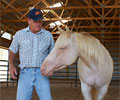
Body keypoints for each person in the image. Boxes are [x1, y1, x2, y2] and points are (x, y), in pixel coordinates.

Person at [9, 8, 54, 100]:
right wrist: (11, 65)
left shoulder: (48, 35)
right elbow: (12, 51)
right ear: (28, 20)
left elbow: (52, 54)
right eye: (35, 21)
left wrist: (51, 67)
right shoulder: (19, 35)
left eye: (40, 21)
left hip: (42, 73)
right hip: (25, 73)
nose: (38, 23)